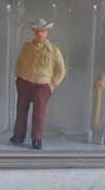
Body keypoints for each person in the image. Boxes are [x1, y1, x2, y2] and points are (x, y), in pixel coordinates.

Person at [10, 18, 66, 150]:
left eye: (42, 31)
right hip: (25, 83)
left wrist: (52, 85)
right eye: (37, 31)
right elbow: (19, 62)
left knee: (39, 115)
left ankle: (37, 138)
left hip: (41, 86)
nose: (39, 34)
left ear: (47, 32)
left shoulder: (53, 51)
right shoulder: (27, 47)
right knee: (21, 111)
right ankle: (19, 135)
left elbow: (61, 71)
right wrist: (19, 77)